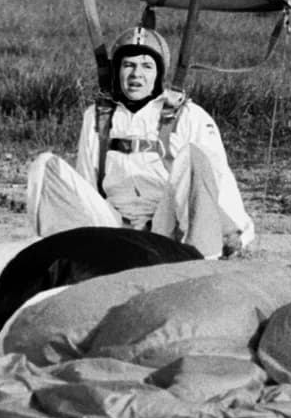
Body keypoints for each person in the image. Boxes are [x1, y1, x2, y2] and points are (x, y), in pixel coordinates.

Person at [27, 23, 255, 257]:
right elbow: (87, 182)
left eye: (147, 66)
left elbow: (215, 180)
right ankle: (53, 258)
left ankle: (203, 259)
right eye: (128, 65)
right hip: (114, 227)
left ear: (159, 73)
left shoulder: (189, 115)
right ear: (117, 70)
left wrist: (234, 232)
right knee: (44, 166)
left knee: (192, 158)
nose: (136, 74)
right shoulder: (96, 116)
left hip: (166, 226)